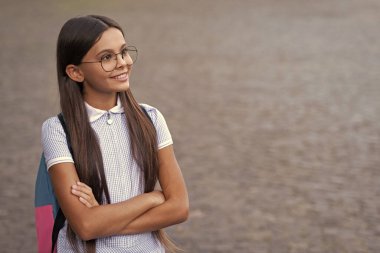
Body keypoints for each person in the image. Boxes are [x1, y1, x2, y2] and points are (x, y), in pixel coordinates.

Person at [41, 15, 189, 253]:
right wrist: (151, 198)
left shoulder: (151, 118)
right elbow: (86, 226)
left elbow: (179, 207)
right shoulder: (57, 130)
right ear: (75, 72)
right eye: (106, 58)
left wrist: (103, 217)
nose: (122, 63)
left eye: (123, 52)